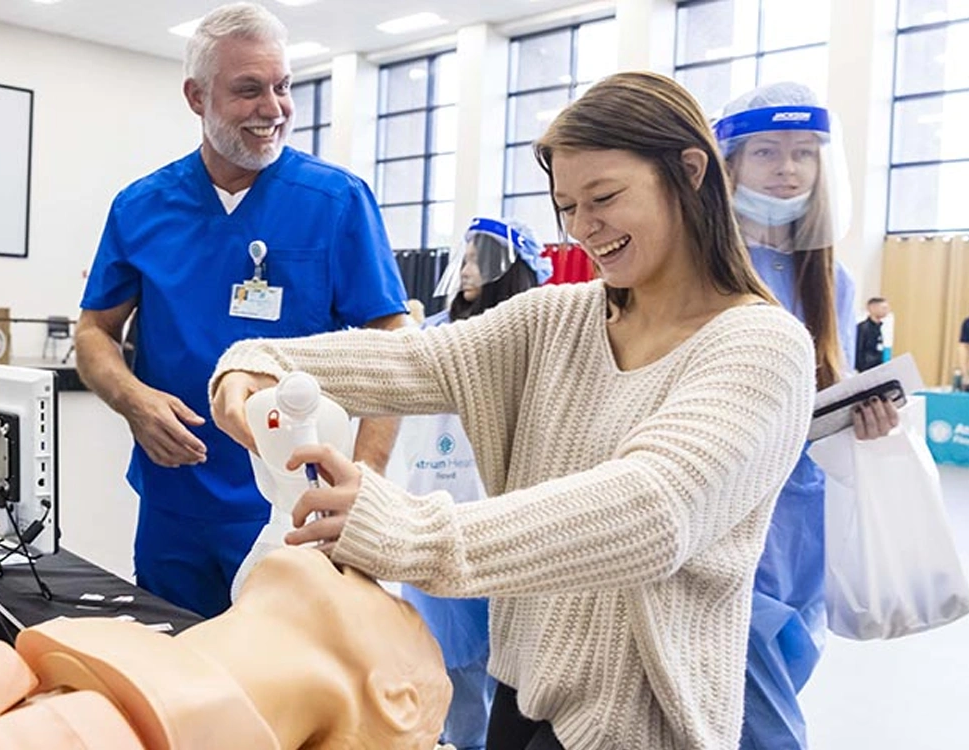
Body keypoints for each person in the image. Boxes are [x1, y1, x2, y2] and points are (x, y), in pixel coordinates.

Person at [209, 71, 818, 750]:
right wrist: (259, 360)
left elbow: (652, 509)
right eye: (567, 206)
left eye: (605, 197)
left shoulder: (760, 345)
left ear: (690, 171)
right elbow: (417, 361)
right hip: (526, 695)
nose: (585, 228)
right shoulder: (558, 319)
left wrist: (406, 529)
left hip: (638, 724)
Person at [74, 2, 408, 618]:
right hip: (176, 503)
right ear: (196, 96)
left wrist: (363, 481)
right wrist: (132, 399)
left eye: (284, 87)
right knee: (176, 677)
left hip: (293, 507)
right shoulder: (141, 208)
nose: (274, 108)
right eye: (249, 90)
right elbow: (94, 331)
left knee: (284, 693)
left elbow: (393, 342)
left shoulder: (336, 203)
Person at [0, 546, 452, 750]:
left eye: (392, 601)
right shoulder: (25, 675)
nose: (359, 562)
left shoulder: (102, 732)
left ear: (394, 700)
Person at [715, 81, 898, 750]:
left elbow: (823, 394)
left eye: (803, 153)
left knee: (756, 711)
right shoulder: (704, 269)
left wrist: (864, 416)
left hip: (802, 530)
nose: (787, 169)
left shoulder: (832, 277)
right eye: (765, 151)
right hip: (724, 530)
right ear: (727, 163)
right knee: (769, 734)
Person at [388, 217, 548, 750]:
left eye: (482, 259)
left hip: (506, 526)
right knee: (443, 661)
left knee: (508, 670)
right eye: (468, 257)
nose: (469, 270)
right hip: (435, 514)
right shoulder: (436, 333)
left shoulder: (535, 340)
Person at [855, 297, 890, 372]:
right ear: (872, 308)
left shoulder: (882, 327)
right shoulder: (863, 328)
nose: (886, 311)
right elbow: (859, 349)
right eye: (883, 308)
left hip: (879, 366)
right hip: (867, 368)